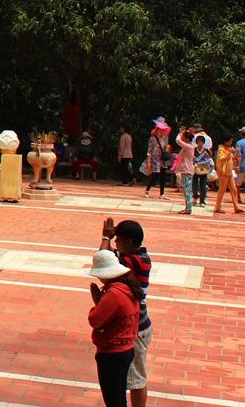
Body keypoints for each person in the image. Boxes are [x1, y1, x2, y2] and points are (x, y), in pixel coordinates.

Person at [100, 218, 152, 407]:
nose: (115, 242)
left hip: (136, 327)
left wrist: (105, 236)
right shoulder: (141, 257)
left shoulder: (132, 261)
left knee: (136, 379)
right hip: (139, 324)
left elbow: (103, 259)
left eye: (117, 239)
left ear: (128, 242)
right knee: (134, 375)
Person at [87, 248, 139, 407]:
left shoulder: (113, 293)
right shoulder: (128, 287)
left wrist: (97, 304)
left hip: (111, 353)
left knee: (113, 400)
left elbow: (95, 319)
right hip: (126, 349)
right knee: (118, 397)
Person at [213, 134, 245, 215]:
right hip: (223, 172)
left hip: (229, 172)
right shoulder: (221, 149)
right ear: (225, 141)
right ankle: (218, 207)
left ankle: (236, 207)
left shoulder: (228, 149)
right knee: (222, 190)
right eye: (230, 141)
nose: (231, 142)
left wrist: (237, 153)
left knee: (234, 189)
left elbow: (232, 158)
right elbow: (222, 158)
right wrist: (230, 153)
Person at [143, 119, 171, 199]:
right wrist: (148, 161)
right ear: (157, 129)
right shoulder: (152, 138)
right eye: (161, 129)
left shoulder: (164, 138)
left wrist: (167, 148)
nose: (162, 131)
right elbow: (149, 150)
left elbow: (165, 148)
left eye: (164, 130)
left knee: (163, 175)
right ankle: (147, 190)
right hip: (155, 159)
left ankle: (162, 193)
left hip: (162, 159)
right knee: (155, 175)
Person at [170, 126, 196, 214]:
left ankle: (188, 208)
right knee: (186, 190)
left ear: (187, 139)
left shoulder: (189, 146)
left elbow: (177, 140)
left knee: (187, 190)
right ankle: (188, 207)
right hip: (187, 170)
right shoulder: (190, 146)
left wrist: (180, 133)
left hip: (187, 170)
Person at [192, 134, 212, 206]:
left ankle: (202, 201)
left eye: (201, 142)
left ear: (203, 142)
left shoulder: (206, 150)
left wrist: (208, 155)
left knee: (203, 185)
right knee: (194, 185)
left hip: (204, 169)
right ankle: (195, 196)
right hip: (195, 169)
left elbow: (210, 159)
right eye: (198, 141)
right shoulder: (193, 149)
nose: (200, 143)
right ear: (196, 142)